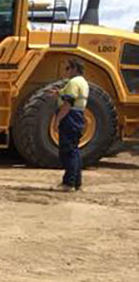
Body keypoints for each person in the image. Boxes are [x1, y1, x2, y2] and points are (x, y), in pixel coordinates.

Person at [55, 59, 89, 191]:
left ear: (74, 68)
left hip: (70, 117)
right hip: (77, 116)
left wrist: (58, 119)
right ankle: (76, 182)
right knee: (74, 151)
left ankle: (68, 183)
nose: (66, 71)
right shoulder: (83, 82)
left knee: (68, 151)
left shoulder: (73, 82)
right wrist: (59, 94)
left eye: (68, 68)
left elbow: (68, 103)